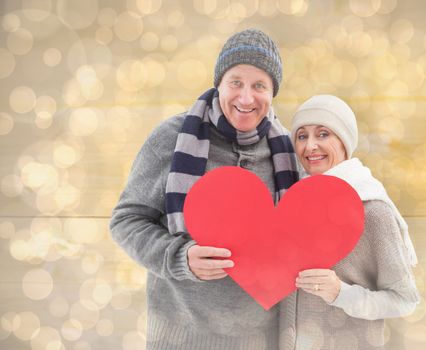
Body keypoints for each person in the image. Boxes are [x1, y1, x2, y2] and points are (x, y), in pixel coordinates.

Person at [110, 28, 299, 350]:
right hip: (182, 336)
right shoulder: (172, 137)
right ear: (219, 84)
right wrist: (180, 257)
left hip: (262, 338)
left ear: (273, 92)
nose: (246, 98)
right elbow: (126, 221)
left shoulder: (287, 151)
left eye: (259, 86)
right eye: (235, 82)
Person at [279, 95, 420, 350]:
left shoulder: (373, 210)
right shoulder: (291, 203)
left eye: (323, 134)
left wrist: (340, 293)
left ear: (344, 140)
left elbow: (404, 299)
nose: (310, 146)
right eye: (302, 136)